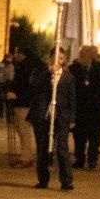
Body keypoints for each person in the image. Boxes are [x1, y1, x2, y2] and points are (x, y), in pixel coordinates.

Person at [27, 53, 75, 190]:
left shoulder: (68, 77)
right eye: (55, 58)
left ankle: (66, 180)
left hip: (61, 116)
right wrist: (47, 73)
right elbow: (33, 86)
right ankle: (43, 179)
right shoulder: (41, 74)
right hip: (44, 116)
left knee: (62, 148)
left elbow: (72, 98)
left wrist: (72, 118)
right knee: (42, 147)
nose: (58, 61)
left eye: (61, 58)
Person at [70, 44, 100, 170]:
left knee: (94, 136)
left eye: (85, 54)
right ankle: (79, 158)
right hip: (79, 108)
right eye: (81, 54)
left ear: (91, 56)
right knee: (78, 136)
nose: (82, 57)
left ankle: (92, 160)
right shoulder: (73, 69)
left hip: (94, 107)